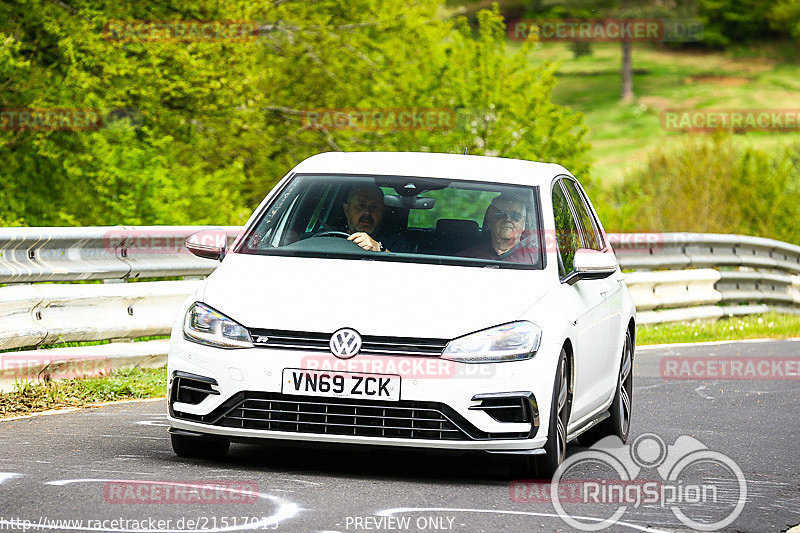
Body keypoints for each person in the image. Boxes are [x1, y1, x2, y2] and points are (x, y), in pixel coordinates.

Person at [457, 193, 539, 264]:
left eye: (515, 215)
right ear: (489, 222)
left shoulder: (537, 258)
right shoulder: (467, 257)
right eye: (500, 214)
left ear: (524, 224)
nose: (507, 219)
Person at [342, 184, 410, 252]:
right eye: (361, 205)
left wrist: (379, 249)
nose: (367, 212)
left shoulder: (396, 242)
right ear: (347, 210)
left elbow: (400, 261)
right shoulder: (333, 236)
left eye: (374, 207)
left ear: (382, 212)